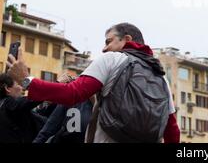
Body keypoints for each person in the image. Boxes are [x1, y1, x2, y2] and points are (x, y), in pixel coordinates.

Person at [7, 22, 180, 143]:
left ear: (126, 39)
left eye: (108, 41)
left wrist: (26, 80)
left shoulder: (111, 59)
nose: (103, 48)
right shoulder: (159, 75)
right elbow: (172, 129)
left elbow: (72, 93)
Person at [0, 73, 46, 143]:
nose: (23, 88)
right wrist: (56, 85)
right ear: (7, 88)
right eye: (18, 84)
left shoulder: (6, 106)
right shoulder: (9, 103)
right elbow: (32, 100)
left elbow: (38, 116)